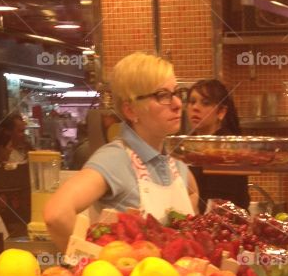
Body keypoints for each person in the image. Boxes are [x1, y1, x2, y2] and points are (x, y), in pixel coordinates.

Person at [43, 52, 198, 249]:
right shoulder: (115, 159)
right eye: (162, 96)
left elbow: (193, 197)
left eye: (176, 93)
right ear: (131, 110)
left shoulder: (177, 166)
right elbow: (56, 214)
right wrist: (97, 260)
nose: (177, 104)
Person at [185, 79, 249, 209]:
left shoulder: (226, 147)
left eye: (205, 103)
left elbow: (219, 204)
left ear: (221, 112)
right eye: (192, 102)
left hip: (226, 224)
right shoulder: (187, 144)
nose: (195, 108)